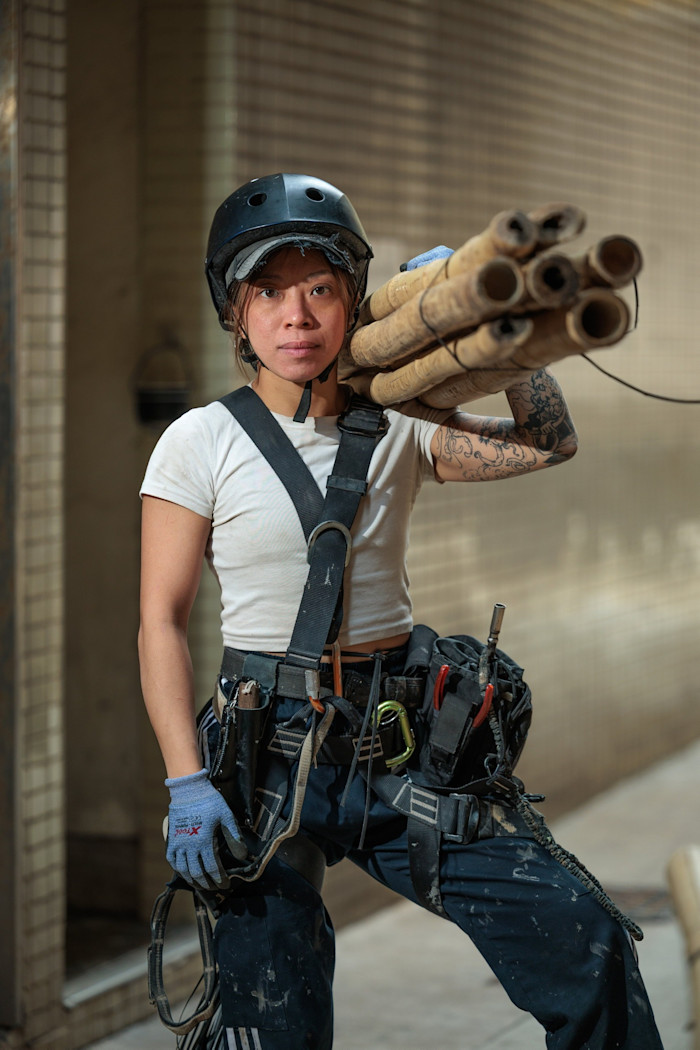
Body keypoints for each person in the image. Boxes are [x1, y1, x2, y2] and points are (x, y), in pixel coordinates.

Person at [139, 172, 662, 1049]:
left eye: (320, 289)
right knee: (274, 1015)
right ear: (235, 311)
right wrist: (187, 782)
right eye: (268, 291)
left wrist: (505, 344)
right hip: (264, 752)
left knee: (586, 938)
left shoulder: (400, 425)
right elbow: (160, 618)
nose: (296, 317)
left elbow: (548, 442)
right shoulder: (201, 442)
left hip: (400, 740)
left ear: (353, 301)